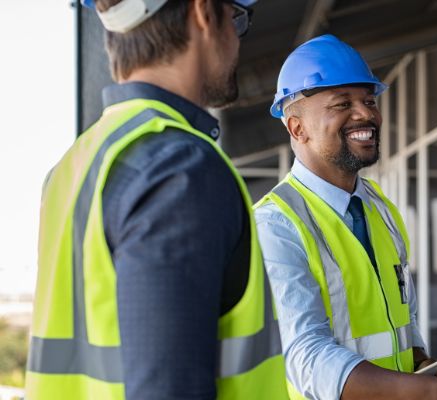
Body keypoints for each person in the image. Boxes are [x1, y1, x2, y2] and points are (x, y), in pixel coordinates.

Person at [25, 1, 287, 399]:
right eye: (236, 16)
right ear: (202, 12)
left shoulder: (74, 165)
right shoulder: (179, 170)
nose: (237, 37)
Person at [254, 34, 437, 400]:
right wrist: (436, 396)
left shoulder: (378, 207)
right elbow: (307, 358)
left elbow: (402, 326)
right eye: (342, 104)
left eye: (369, 100)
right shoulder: (275, 225)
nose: (366, 113)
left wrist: (435, 372)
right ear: (297, 128)